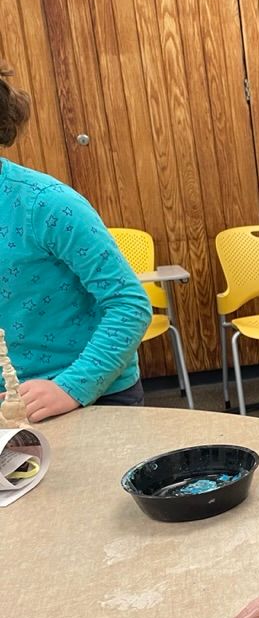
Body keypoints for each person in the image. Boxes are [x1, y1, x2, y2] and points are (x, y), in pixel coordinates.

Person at [0, 64, 151, 422]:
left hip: (92, 394)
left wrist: (72, 386)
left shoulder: (45, 203)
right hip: (12, 404)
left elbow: (130, 304)